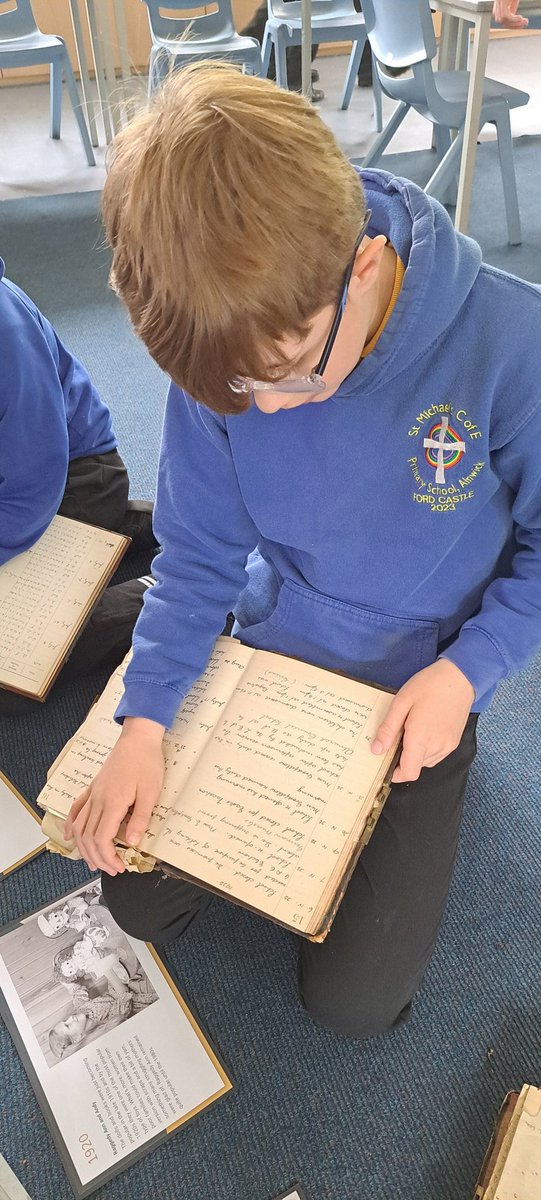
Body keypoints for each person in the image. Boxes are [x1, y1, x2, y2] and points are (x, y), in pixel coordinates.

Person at [65, 63, 541, 1040]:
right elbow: (195, 557)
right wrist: (144, 723)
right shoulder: (226, 352)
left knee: (353, 1006)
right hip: (270, 658)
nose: (267, 409)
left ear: (364, 267)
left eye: (286, 372)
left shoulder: (510, 341)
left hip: (418, 684)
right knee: (134, 897)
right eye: (239, 393)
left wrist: (466, 674)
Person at [0, 263, 158, 714]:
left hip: (77, 478)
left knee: (15, 675)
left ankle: (181, 590)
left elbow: (32, 488)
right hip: (27, 488)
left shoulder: (5, 333)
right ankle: (122, 529)